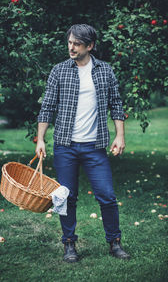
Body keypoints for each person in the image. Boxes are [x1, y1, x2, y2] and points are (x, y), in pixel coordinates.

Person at [36, 24, 130, 262]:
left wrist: (120, 136)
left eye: (77, 44)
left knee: (106, 195)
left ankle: (115, 243)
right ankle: (69, 244)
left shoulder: (105, 71)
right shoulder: (59, 71)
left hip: (94, 147)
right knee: (66, 197)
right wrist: (41, 139)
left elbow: (116, 104)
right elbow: (47, 106)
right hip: (65, 146)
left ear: (90, 46)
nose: (71, 47)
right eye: (69, 42)